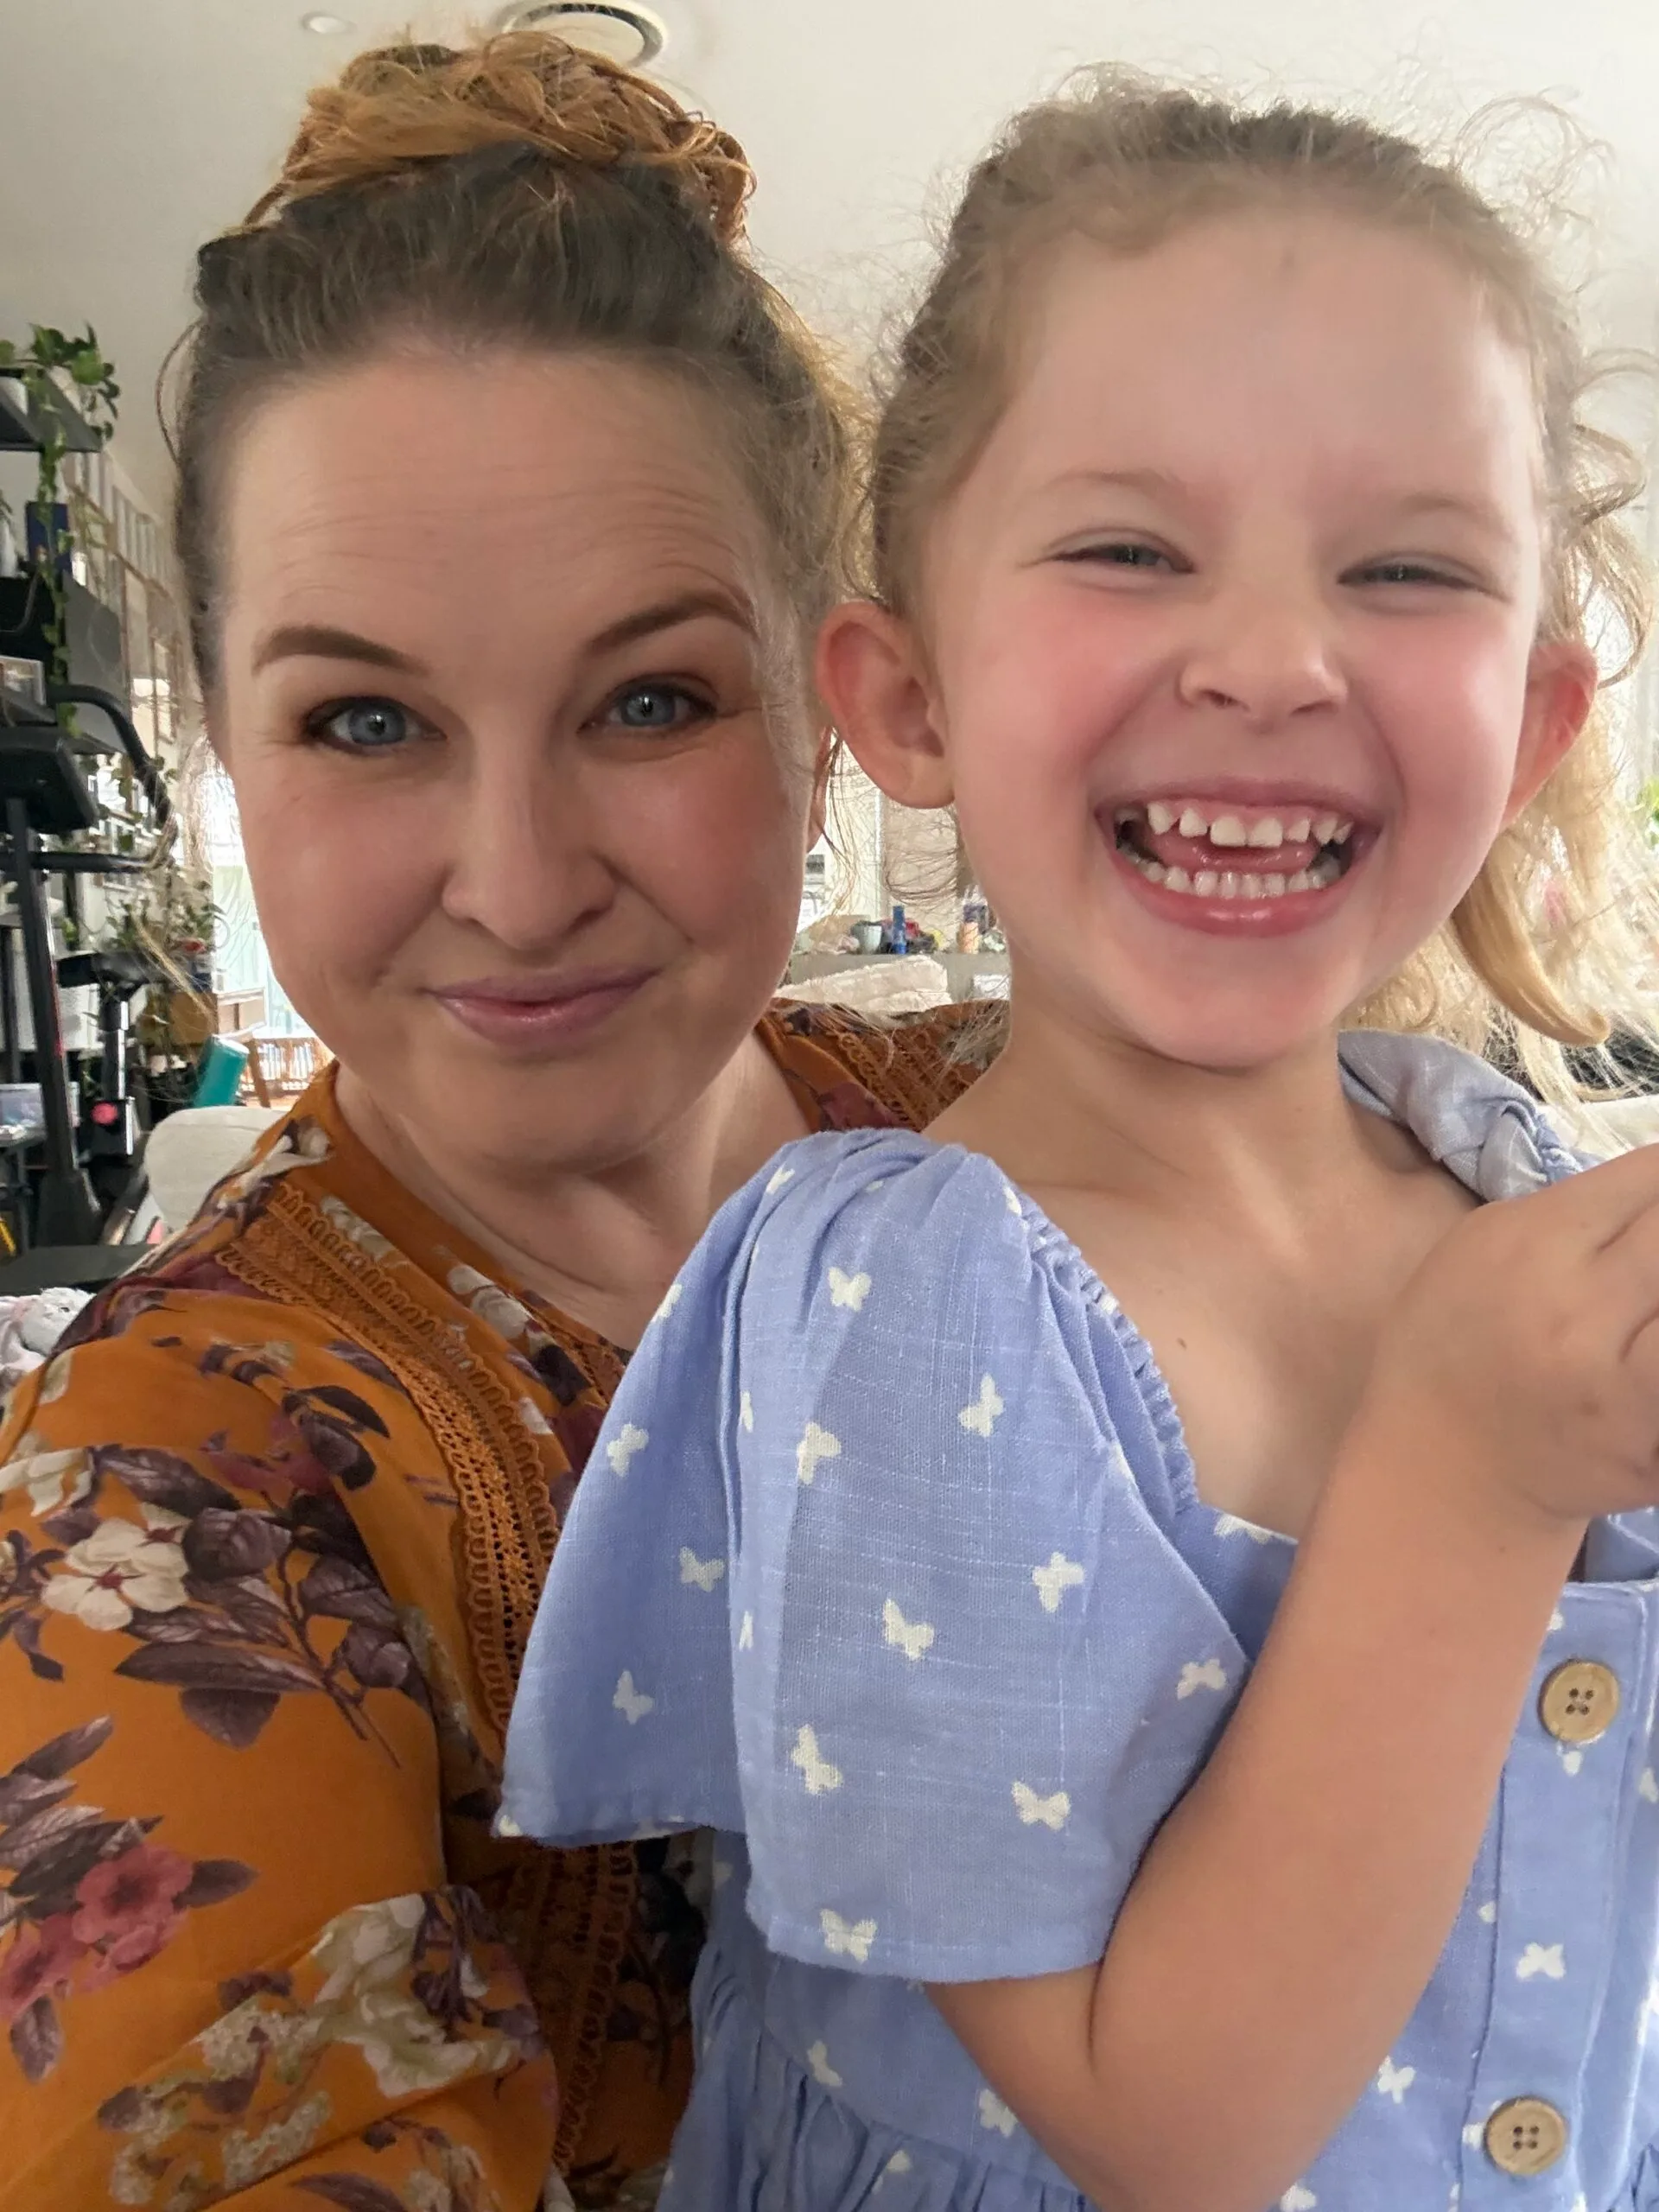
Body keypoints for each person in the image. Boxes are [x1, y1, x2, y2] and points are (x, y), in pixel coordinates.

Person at [501, 71, 1659, 2212]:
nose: (1274, 659)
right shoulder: (906, 1294)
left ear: (1531, 730)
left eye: (1406, 567)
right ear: (909, 696)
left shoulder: (1501, 1163)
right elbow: (1167, 2126)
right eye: (1133, 546)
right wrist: (1481, 1458)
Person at [0, 34, 979, 2212]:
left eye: (650, 698)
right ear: (226, 743)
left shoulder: (1019, 1112)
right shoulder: (170, 1476)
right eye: (367, 719)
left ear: (832, 714)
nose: (520, 879)